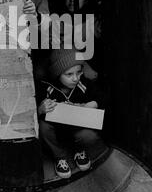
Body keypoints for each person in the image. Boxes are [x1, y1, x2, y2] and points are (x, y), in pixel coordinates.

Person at [37, 48, 104, 179]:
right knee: (43, 126)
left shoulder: (83, 83)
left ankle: (79, 151)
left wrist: (93, 104)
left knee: (90, 136)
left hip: (76, 131)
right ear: (57, 74)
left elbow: (102, 96)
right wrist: (40, 109)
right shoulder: (47, 88)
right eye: (69, 74)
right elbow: (32, 109)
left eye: (79, 72)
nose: (75, 78)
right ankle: (60, 157)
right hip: (57, 131)